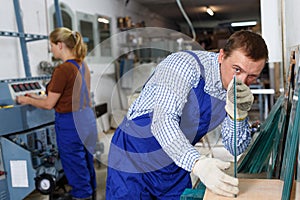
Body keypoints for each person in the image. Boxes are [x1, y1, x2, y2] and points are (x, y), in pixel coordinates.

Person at [106, 30, 268, 199]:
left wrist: (238, 115)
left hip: (174, 161)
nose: (241, 81)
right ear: (221, 56)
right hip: (135, 155)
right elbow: (162, 121)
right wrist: (198, 163)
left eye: (251, 77)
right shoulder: (183, 65)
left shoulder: (233, 91)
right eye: (237, 69)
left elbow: (235, 148)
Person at [17, 27, 97, 200]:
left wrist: (27, 100)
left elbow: (48, 104)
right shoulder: (83, 65)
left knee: (74, 162)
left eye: (51, 45)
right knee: (86, 161)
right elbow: (84, 95)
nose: (50, 49)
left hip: (70, 123)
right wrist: (35, 96)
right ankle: (90, 193)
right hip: (87, 118)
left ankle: (82, 196)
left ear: (60, 45)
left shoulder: (62, 70)